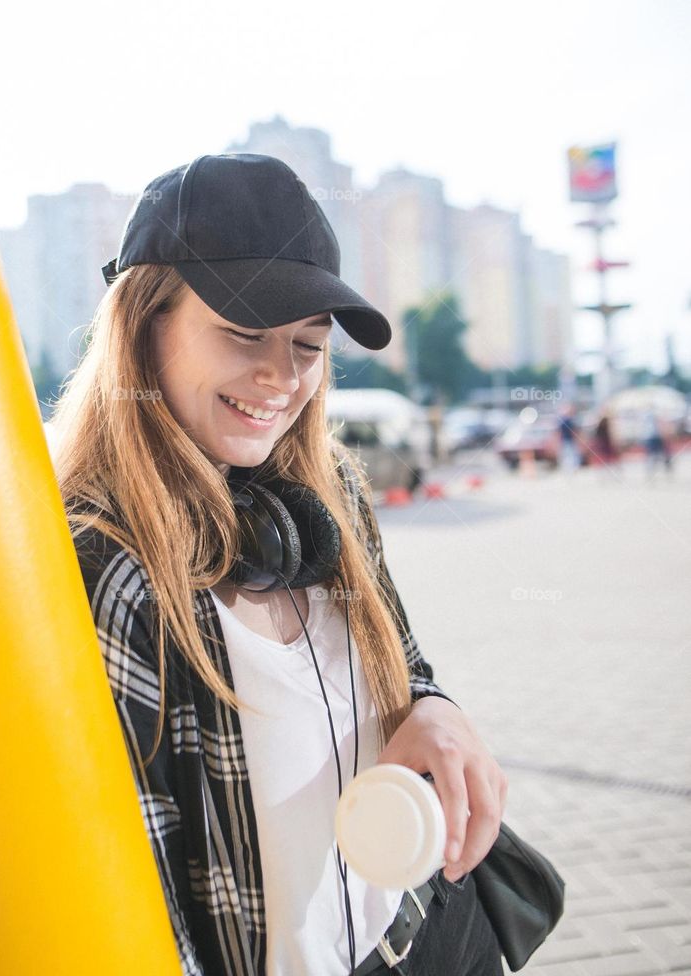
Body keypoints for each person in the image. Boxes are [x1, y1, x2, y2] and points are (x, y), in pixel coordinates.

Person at [50, 153, 506, 976]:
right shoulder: (109, 572)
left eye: (307, 344)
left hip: (426, 942)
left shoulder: (328, 503)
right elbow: (142, 901)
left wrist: (433, 707)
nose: (281, 376)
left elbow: (406, 666)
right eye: (243, 332)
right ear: (142, 325)